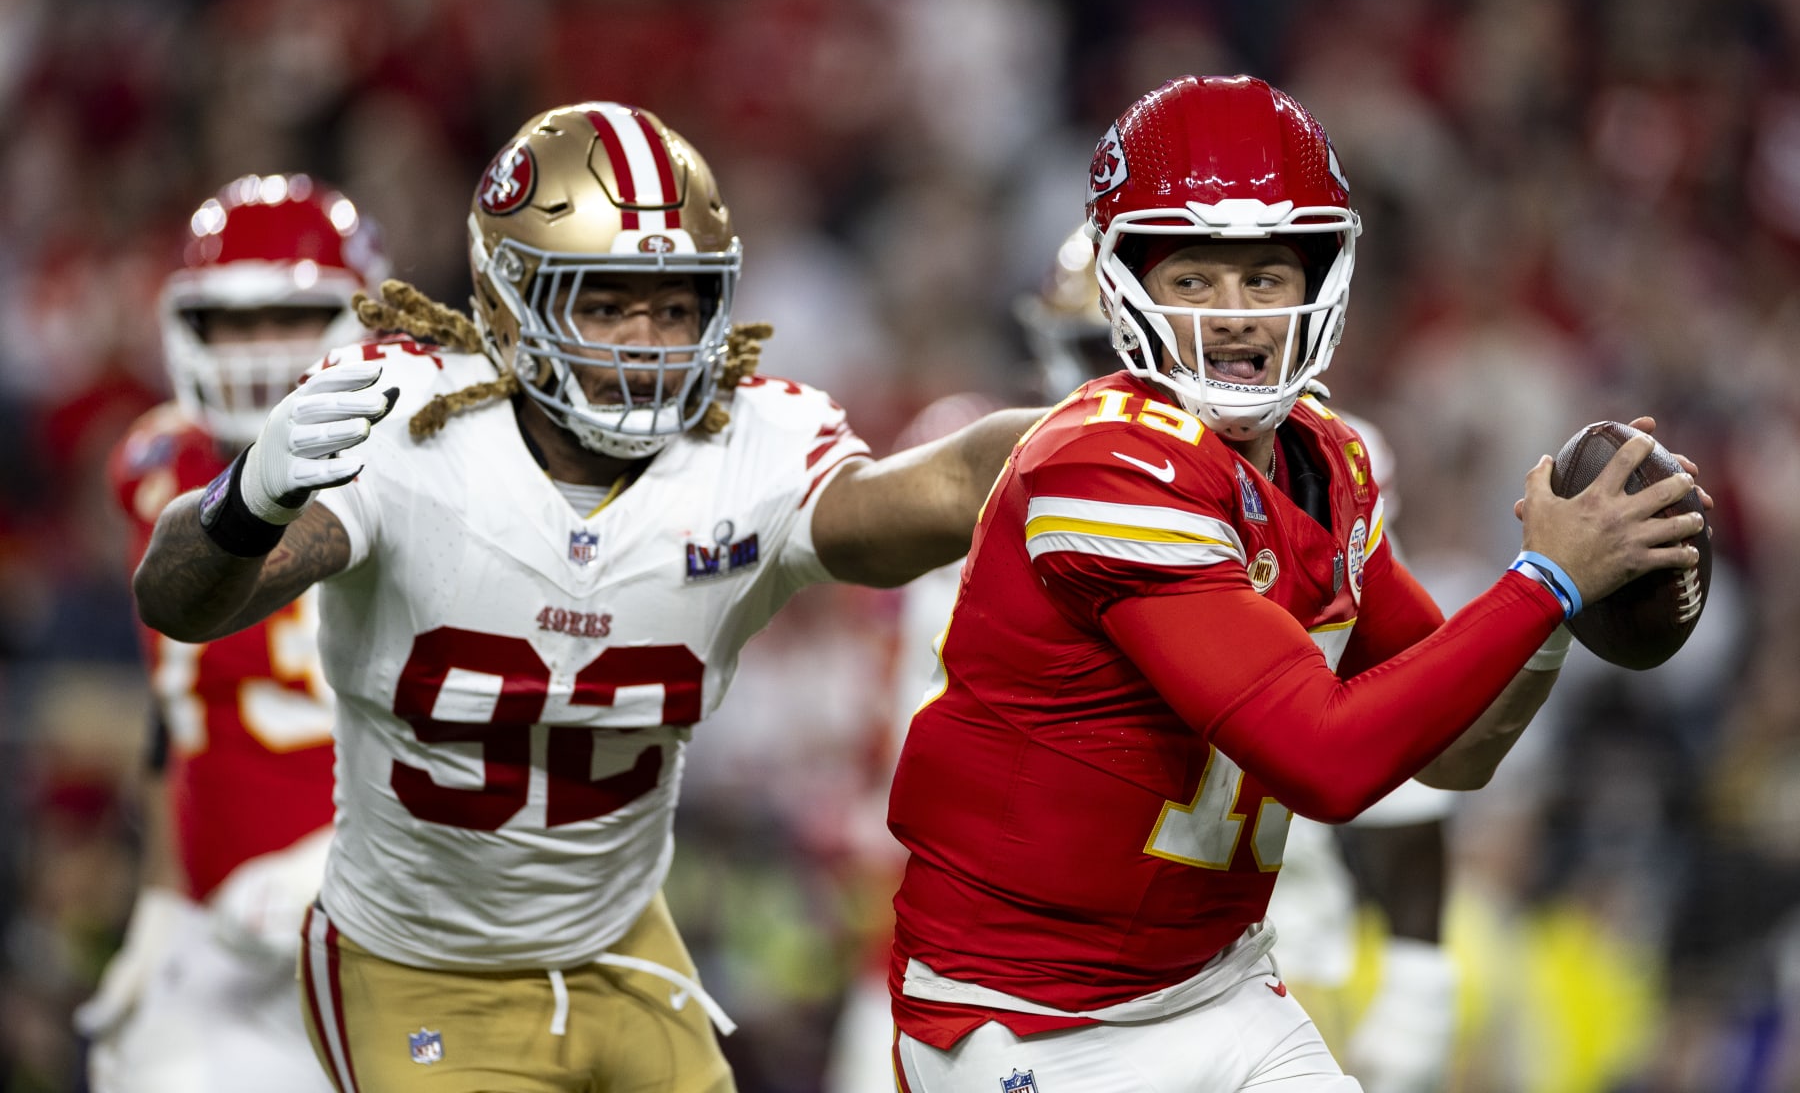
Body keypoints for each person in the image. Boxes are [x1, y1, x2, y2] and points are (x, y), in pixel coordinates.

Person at [129, 101, 1042, 1093]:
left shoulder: (748, 453)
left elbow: (949, 484)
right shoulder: (409, 431)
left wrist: (1114, 440)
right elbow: (183, 600)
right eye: (604, 305)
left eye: (676, 304)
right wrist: (246, 498)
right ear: (512, 306)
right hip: (425, 969)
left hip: (621, 946)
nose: (647, 341)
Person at [883, 74, 1711, 1092]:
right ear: (1125, 283)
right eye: (1194, 280)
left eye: (1266, 277)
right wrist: (1545, 580)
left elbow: (1452, 753)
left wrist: (1560, 602)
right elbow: (1322, 759)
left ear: (1321, 278)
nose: (1235, 318)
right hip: (1030, 1015)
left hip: (1217, 987)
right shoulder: (1103, 469)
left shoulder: (1329, 457)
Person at [824, 226, 1459, 1093]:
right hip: (1031, 975)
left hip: (1262, 953)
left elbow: (1402, 711)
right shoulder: (1008, 473)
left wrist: (1420, 965)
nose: (1126, 377)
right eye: (1103, 346)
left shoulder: (1314, 470)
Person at [79, 173, 385, 1093]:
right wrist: (161, 903)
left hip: (385, 919)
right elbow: (175, 719)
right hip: (220, 926)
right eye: (231, 322)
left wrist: (355, 871)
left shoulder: (413, 462)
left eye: (287, 319)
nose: (257, 350)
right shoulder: (156, 465)